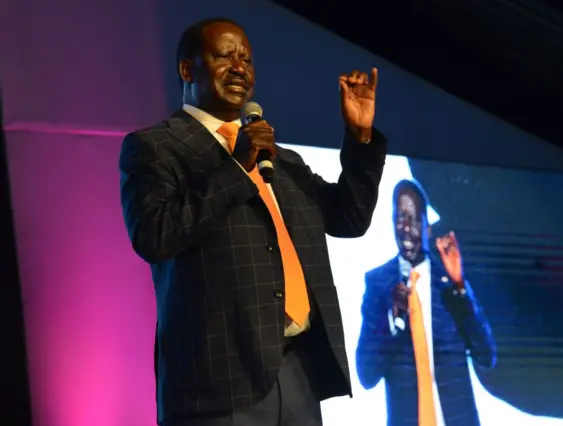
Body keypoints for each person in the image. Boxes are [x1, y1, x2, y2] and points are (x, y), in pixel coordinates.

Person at [119, 17, 386, 426]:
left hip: (297, 373)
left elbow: (348, 217)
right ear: (188, 69)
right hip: (217, 382)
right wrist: (236, 171)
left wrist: (360, 139)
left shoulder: (283, 160)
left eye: (246, 58)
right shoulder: (156, 147)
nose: (240, 67)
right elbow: (154, 235)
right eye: (224, 56)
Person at [355, 179, 496, 426]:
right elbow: (366, 375)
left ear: (427, 227)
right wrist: (392, 321)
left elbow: (486, 355)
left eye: (412, 218)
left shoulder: (449, 278)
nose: (405, 227)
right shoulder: (379, 284)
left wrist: (460, 287)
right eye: (399, 218)